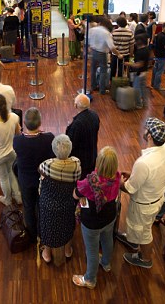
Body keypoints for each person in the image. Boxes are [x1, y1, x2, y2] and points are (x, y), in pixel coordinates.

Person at [115, 118, 165, 269]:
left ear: (149, 136)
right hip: (157, 197)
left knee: (145, 233)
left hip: (143, 205)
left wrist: (116, 182)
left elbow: (130, 188)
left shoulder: (144, 163)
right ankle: (133, 240)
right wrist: (134, 175)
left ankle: (145, 259)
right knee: (141, 229)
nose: (144, 130)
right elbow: (151, 174)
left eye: (146, 129)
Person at [72, 147, 121, 289]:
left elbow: (76, 194)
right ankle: (106, 263)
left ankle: (90, 279)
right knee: (107, 240)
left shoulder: (90, 182)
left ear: (98, 163)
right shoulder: (116, 177)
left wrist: (82, 197)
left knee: (92, 251)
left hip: (92, 221)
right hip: (110, 215)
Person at [13, 108, 55, 241]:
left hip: (25, 180)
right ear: (40, 122)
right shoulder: (49, 138)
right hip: (43, 179)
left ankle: (31, 233)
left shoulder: (18, 141)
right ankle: (43, 231)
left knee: (28, 206)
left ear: (24, 123)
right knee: (41, 204)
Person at [39, 134, 81, 263]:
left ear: (54, 149)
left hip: (48, 203)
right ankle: (67, 250)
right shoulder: (76, 164)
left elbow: (41, 173)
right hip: (67, 202)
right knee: (68, 225)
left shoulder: (46, 164)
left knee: (47, 226)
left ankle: (47, 253)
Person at [66, 94, 100, 179]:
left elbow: (71, 143)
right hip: (92, 155)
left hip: (81, 161)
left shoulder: (77, 124)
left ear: (76, 105)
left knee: (81, 184)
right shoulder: (95, 115)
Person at [89, 17, 123, 95]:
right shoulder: (106, 33)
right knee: (103, 71)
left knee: (93, 70)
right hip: (102, 53)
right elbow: (112, 47)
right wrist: (118, 54)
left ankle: (93, 86)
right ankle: (102, 90)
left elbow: (88, 40)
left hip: (93, 51)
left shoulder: (93, 29)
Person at [128, 35, 151, 109]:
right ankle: (145, 103)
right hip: (144, 72)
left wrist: (129, 64)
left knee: (136, 90)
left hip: (139, 73)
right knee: (143, 89)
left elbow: (139, 65)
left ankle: (138, 104)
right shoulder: (146, 49)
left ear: (139, 41)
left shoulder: (140, 52)